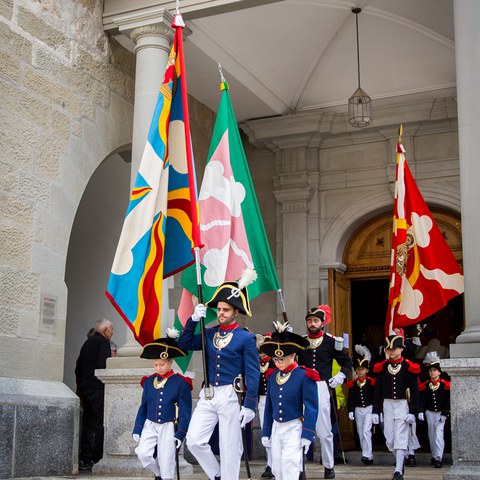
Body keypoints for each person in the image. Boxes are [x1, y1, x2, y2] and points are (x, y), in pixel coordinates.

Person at [177, 271, 260, 480]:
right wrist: (193, 320)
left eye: (225, 310)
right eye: (219, 309)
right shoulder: (209, 333)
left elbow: (253, 372)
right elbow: (184, 344)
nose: (221, 313)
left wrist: (250, 404)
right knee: (195, 440)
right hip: (209, 394)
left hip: (231, 395)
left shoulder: (246, 338)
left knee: (229, 447)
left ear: (235, 312)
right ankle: (216, 474)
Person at [297, 305, 352, 479]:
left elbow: (346, 362)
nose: (312, 324)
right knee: (298, 427)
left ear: (322, 323)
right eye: (309, 321)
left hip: (321, 387)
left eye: (315, 321)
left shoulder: (331, 341)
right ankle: (299, 467)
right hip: (302, 387)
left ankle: (328, 465)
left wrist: (341, 376)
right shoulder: (301, 340)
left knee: (325, 430)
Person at [260, 321, 319, 480]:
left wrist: (308, 433)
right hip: (277, 428)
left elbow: (312, 408)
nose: (277, 362)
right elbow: (269, 407)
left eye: (281, 359)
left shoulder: (305, 375)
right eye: (275, 360)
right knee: (277, 468)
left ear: (293, 355)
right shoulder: (272, 376)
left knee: (290, 466)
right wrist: (266, 430)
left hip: (294, 427)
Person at [132, 328, 193, 480]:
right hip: (150, 424)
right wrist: (138, 428)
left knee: (167, 461)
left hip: (168, 425)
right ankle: (158, 474)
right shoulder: (147, 381)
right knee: (142, 453)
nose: (159, 367)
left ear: (170, 362)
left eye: (162, 364)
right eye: (156, 364)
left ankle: (164, 476)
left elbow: (185, 411)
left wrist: (181, 433)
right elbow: (143, 406)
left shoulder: (180, 382)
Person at [372, 334, 421, 480]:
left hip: (402, 404)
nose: (391, 351)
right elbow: (378, 390)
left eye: (394, 348)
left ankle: (399, 469)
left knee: (400, 437)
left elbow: (414, 391)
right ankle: (402, 457)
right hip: (387, 404)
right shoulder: (382, 367)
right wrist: (376, 410)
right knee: (389, 439)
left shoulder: (408, 366)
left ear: (401, 349)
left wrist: (413, 411)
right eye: (389, 349)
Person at [75, 318, 113, 471]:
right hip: (98, 388)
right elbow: (103, 366)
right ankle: (96, 458)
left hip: (85, 388)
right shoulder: (103, 343)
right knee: (98, 424)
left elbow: (78, 368)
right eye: (111, 331)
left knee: (87, 424)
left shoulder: (86, 343)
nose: (112, 334)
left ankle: (85, 458)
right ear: (105, 331)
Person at [418, 351, 450, 468]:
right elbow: (423, 399)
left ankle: (438, 457)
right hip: (430, 413)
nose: (432, 372)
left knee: (438, 435)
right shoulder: (426, 385)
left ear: (439, 372)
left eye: (434, 370)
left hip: (440, 413)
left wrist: (445, 413)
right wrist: (421, 410)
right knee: (431, 435)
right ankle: (434, 455)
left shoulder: (444, 385)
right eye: (431, 370)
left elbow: (448, 400)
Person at [346, 344, 375, 466]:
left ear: (367, 370)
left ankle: (368, 454)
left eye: (362, 369)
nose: (360, 371)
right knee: (360, 431)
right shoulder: (353, 384)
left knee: (366, 431)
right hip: (358, 409)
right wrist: (351, 410)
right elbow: (351, 398)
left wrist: (376, 411)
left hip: (369, 408)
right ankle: (366, 453)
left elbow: (375, 397)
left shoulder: (371, 383)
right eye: (358, 369)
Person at [256, 333, 275, 479]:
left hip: (276, 400)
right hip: (262, 401)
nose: (261, 351)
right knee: (266, 432)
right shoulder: (256, 362)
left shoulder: (275, 362)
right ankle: (270, 464)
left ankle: (277, 464)